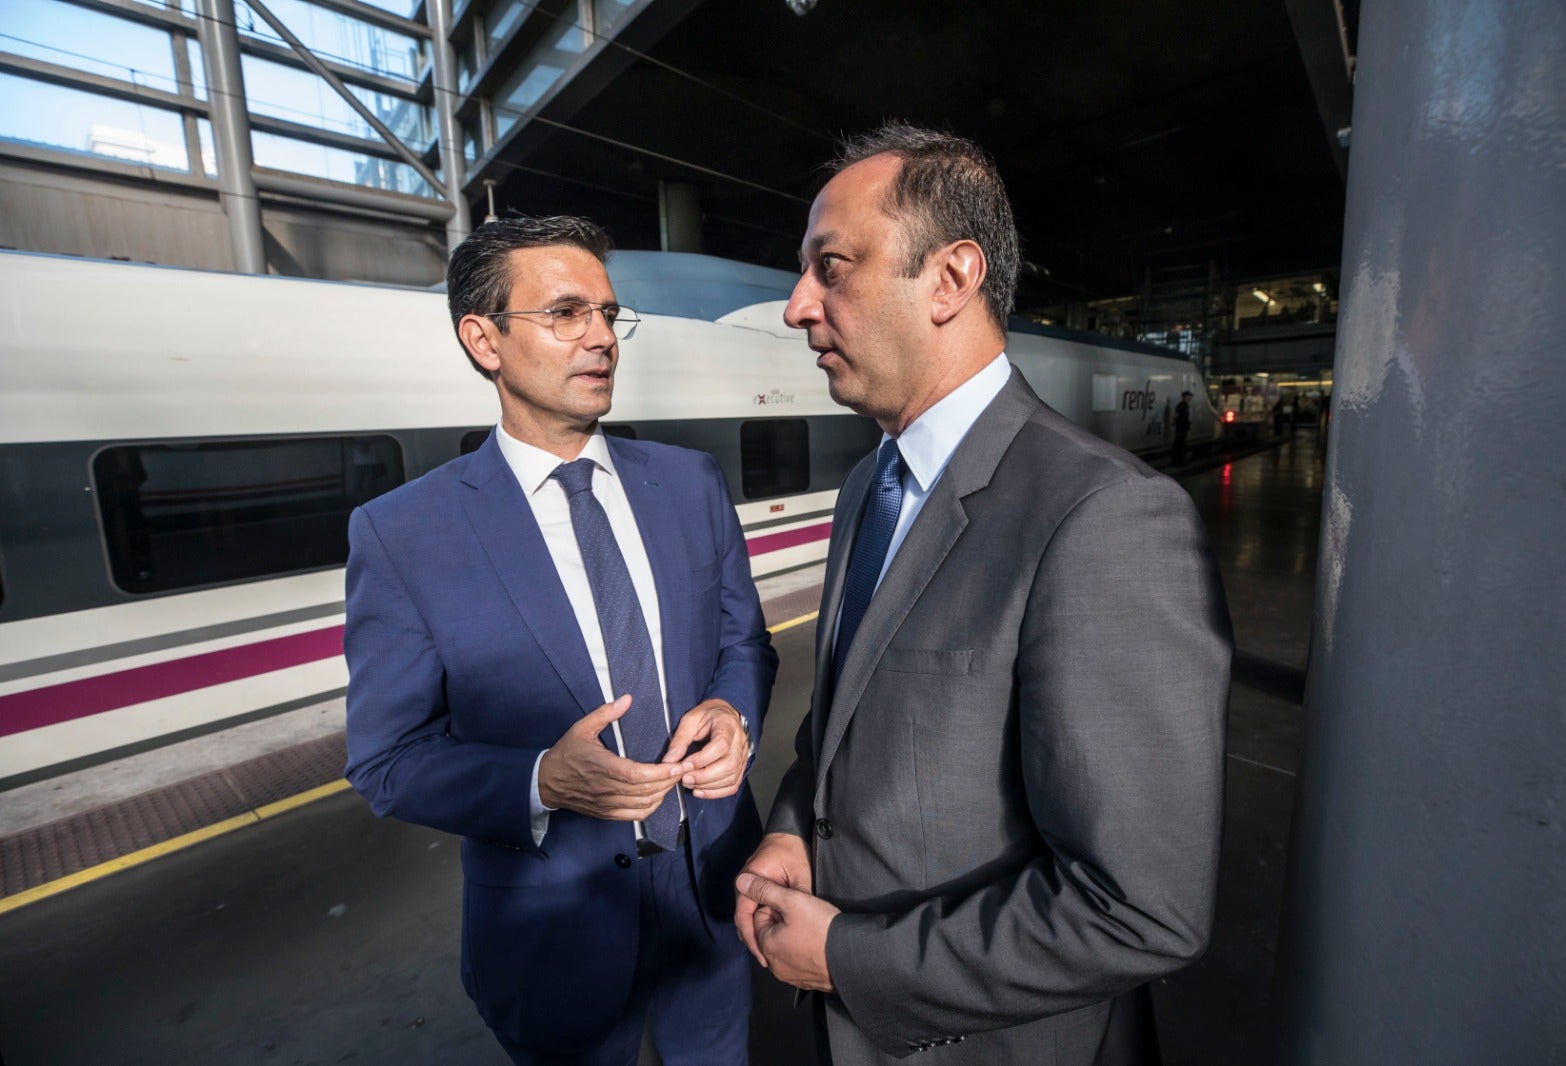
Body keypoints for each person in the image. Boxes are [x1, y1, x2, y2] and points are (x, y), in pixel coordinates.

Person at [733, 124, 1232, 1064]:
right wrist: (792, 830)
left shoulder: (1106, 519)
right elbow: (834, 736)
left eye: (830, 267)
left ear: (952, 279)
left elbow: (1139, 911)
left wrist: (847, 956)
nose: (798, 305)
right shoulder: (864, 491)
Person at [343, 215, 777, 1065]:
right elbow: (386, 761)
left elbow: (745, 643)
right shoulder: (403, 533)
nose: (601, 338)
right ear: (484, 339)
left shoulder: (688, 483)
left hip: (712, 884)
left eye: (610, 315)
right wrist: (541, 779)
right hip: (554, 928)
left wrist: (734, 710)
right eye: (566, 314)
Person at [1171, 389, 1193, 465]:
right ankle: (1178, 461)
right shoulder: (1181, 406)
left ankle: (1179, 461)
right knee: (1179, 445)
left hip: (1182, 428)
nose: (1190, 398)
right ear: (1185, 397)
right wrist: (1178, 427)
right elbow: (1176, 416)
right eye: (1189, 396)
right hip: (1180, 428)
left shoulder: (1185, 405)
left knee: (1181, 445)